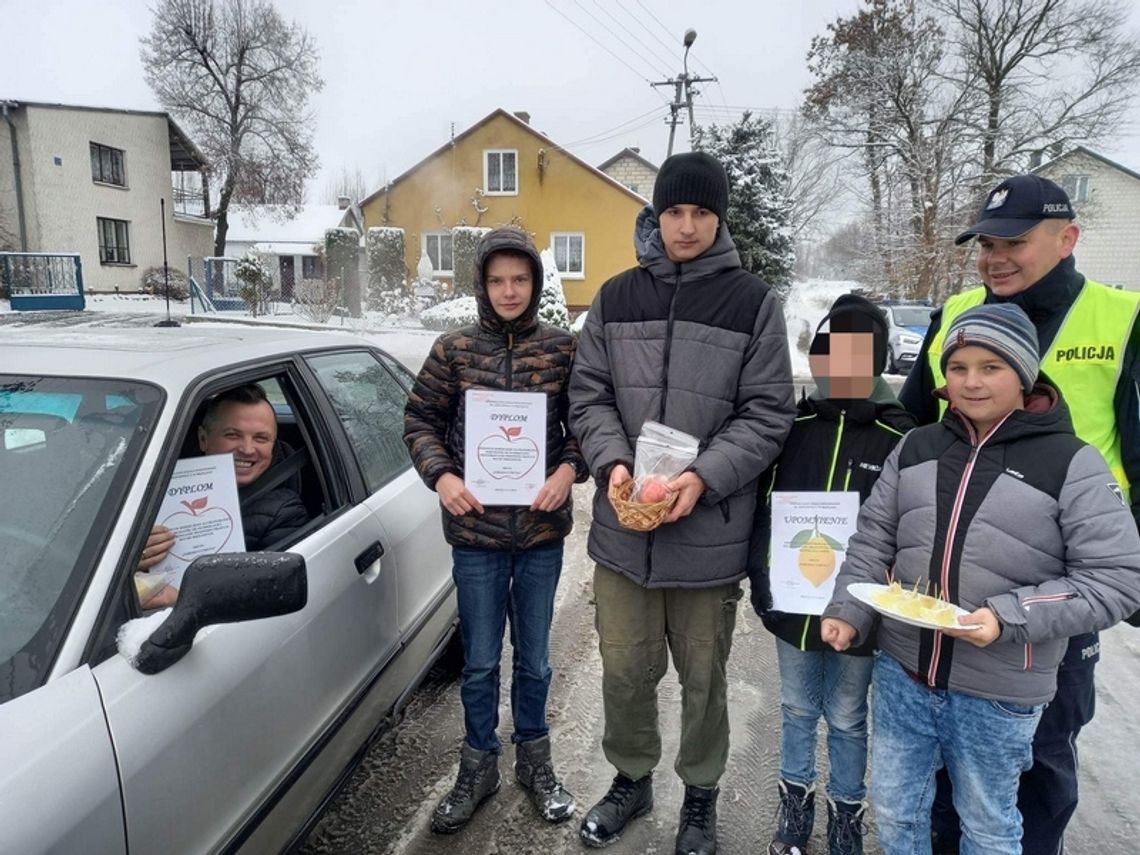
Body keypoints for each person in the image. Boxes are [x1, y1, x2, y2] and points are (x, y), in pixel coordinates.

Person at [823, 303, 1140, 855]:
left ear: (1024, 374)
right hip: (903, 675)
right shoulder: (917, 447)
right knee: (897, 814)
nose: (971, 382)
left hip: (998, 692)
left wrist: (1009, 616)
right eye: (959, 366)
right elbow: (873, 538)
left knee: (989, 826)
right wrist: (848, 610)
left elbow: (1115, 579)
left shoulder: (1072, 463)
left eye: (991, 367)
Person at [899, 174, 1140, 854]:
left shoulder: (1120, 316)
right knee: (946, 748)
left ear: (1067, 238)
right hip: (953, 584)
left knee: (1038, 751)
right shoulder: (956, 313)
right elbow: (911, 427)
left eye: (1013, 242)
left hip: (1058, 591)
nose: (994, 257)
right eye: (985, 244)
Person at [569, 151, 795, 855]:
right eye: (675, 211)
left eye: (701, 212)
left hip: (707, 536)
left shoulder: (752, 304)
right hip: (623, 531)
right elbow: (589, 393)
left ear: (719, 217)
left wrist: (703, 478)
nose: (687, 225)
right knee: (625, 670)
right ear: (656, 214)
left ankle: (700, 795)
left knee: (704, 678)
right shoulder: (614, 297)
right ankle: (631, 778)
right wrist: (610, 463)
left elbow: (767, 413)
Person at [403, 226, 588, 834]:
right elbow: (420, 420)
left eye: (520, 278)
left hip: (539, 535)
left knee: (533, 661)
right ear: (482, 285)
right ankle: (478, 765)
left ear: (535, 282)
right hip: (476, 536)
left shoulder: (564, 349)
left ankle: (535, 763)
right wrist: (443, 477)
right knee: (480, 662)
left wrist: (567, 470)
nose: (509, 290)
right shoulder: (453, 349)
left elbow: (586, 425)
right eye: (497, 280)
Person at [749, 295, 915, 855]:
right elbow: (764, 509)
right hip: (794, 606)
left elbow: (905, 530)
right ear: (818, 359)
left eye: (857, 353)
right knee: (797, 710)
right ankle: (794, 808)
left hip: (860, 614)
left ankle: (846, 813)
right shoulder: (790, 428)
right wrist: (762, 580)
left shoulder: (899, 440)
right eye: (831, 352)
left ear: (876, 362)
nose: (842, 366)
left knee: (847, 717)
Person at [136, 383, 310, 607]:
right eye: (233, 435)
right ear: (203, 439)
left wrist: (178, 599)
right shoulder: (149, 490)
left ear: (273, 445)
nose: (247, 449)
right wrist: (136, 559)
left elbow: (272, 596)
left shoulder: (285, 511)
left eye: (261, 438)